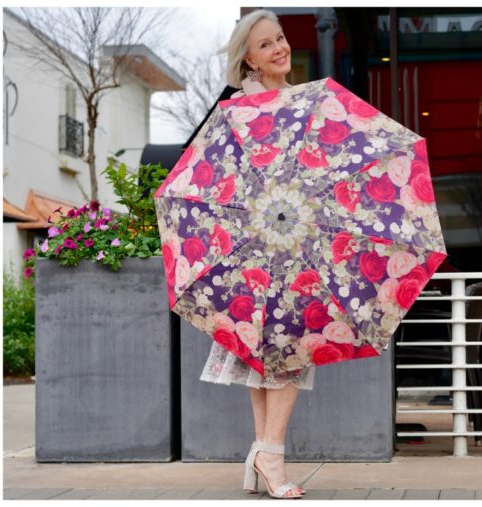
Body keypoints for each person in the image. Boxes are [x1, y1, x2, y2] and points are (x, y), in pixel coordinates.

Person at [197, 9, 306, 500]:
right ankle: (271, 458)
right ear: (249, 59)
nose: (279, 48)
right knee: (283, 353)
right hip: (257, 247)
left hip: (290, 240)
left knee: (270, 357)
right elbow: (214, 179)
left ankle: (261, 455)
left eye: (280, 38)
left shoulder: (297, 100)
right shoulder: (240, 109)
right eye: (266, 45)